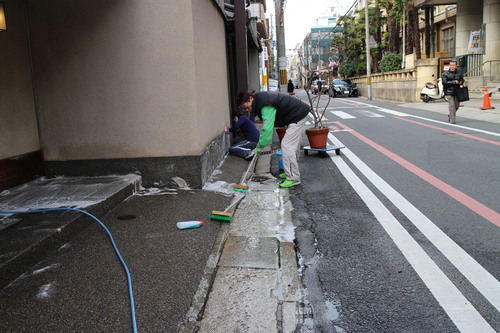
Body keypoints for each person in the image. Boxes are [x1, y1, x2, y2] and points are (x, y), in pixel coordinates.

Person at [236, 91, 310, 188]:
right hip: (297, 114)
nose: (247, 109)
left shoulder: (265, 104)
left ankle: (293, 177)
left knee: (287, 145)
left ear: (251, 98)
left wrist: (259, 146)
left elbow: (267, 130)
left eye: (246, 105)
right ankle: (291, 171)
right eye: (244, 108)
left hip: (297, 115)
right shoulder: (261, 100)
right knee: (291, 145)